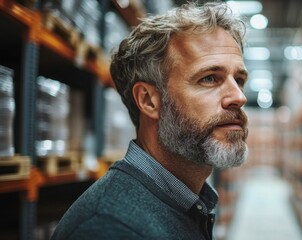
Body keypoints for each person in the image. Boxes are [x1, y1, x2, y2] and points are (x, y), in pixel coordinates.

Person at [51, 2, 249, 240]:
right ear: (148, 100)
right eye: (209, 79)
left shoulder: (188, 203)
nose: (239, 96)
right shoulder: (110, 229)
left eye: (239, 79)